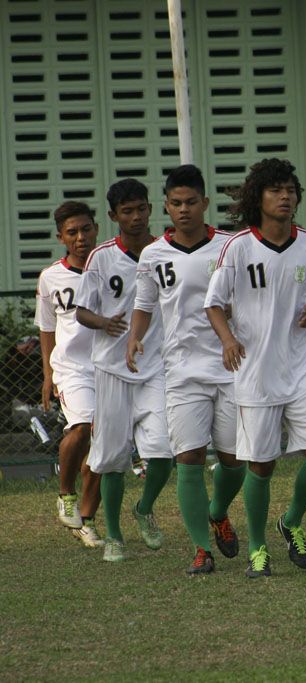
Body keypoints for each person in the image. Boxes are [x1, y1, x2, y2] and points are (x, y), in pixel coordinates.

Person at [205, 158, 306, 578]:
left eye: (291, 190)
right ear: (257, 197)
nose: (286, 197)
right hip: (255, 372)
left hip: (300, 367)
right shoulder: (238, 246)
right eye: (276, 190)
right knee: (261, 464)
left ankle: (292, 520)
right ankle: (258, 547)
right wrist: (228, 339)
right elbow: (213, 303)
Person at [127, 165, 244, 575]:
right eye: (175, 203)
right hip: (181, 370)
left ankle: (218, 512)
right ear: (167, 207)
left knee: (235, 462)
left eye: (191, 202)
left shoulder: (230, 247)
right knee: (188, 459)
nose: (183, 209)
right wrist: (134, 337)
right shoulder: (153, 254)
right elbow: (143, 306)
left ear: (205, 203)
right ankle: (201, 550)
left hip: (231, 366)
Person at [76, 179, 174, 562]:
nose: (135, 217)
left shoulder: (165, 250)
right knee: (112, 458)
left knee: (165, 452)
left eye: (141, 209)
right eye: (126, 211)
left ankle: (144, 507)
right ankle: (114, 536)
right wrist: (104, 323)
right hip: (112, 369)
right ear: (113, 216)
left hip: (157, 365)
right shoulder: (101, 258)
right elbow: (81, 310)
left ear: (151, 209)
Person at [34, 201, 102, 547]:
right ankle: (65, 493)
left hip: (111, 368)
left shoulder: (110, 266)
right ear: (61, 237)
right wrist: (48, 375)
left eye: (85, 229)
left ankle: (87, 520)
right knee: (83, 426)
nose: (80, 238)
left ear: (97, 229)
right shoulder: (51, 277)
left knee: (106, 450)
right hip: (72, 369)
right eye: (72, 232)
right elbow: (47, 329)